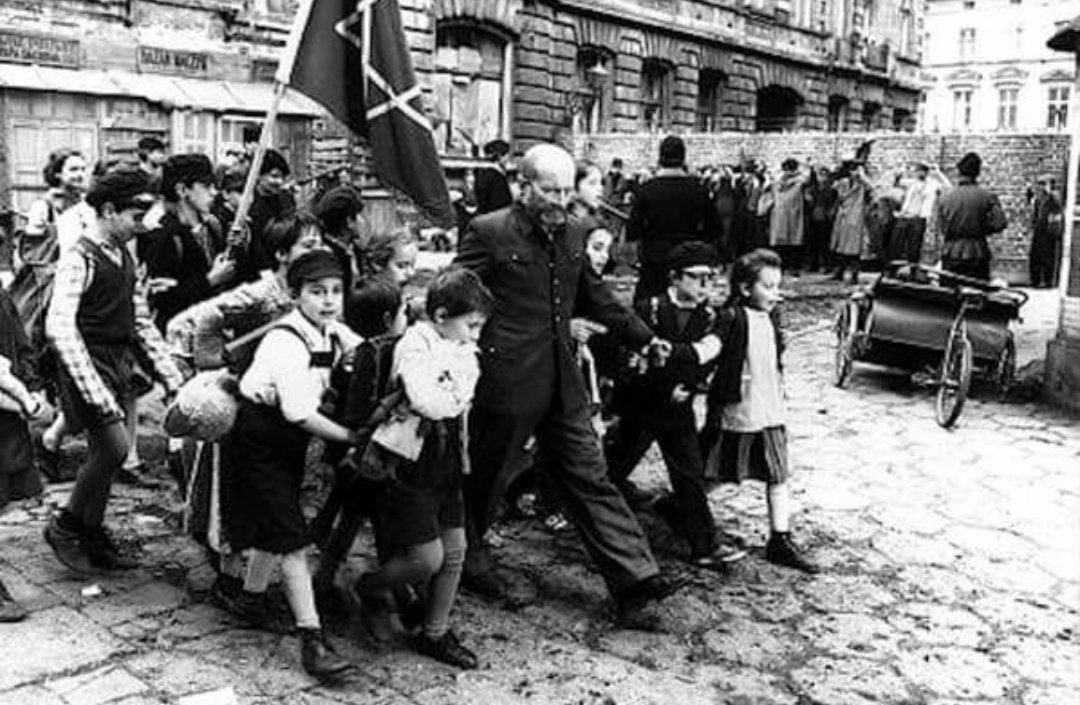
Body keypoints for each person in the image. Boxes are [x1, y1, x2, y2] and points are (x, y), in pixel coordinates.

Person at [455, 143, 678, 628]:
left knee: (589, 475)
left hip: (562, 380)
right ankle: (468, 559)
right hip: (506, 381)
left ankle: (635, 582)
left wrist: (645, 336)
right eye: (549, 191)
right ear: (523, 186)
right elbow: (456, 295)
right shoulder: (488, 231)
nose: (559, 201)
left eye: (564, 191)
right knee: (487, 477)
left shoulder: (575, 231)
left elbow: (597, 298)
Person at [165, 211, 325, 606]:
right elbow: (195, 320)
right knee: (232, 500)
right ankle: (230, 580)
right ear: (282, 254)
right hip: (245, 415)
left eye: (319, 243)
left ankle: (253, 586)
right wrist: (212, 365)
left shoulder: (312, 295)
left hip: (284, 415)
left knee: (276, 498)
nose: (317, 251)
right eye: (308, 245)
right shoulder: (262, 293)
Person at [224, 250, 359, 679]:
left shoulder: (331, 331)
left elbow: (367, 351)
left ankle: (250, 601)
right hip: (258, 440)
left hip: (287, 443)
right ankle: (312, 640)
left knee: (275, 528)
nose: (329, 300)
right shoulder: (284, 340)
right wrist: (350, 437)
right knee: (293, 542)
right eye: (317, 292)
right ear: (295, 295)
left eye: (336, 291)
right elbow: (299, 412)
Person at [43, 167, 184, 574]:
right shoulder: (79, 258)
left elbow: (140, 321)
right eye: (135, 217)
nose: (141, 226)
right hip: (84, 363)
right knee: (115, 448)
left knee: (104, 453)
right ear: (108, 211)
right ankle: (65, 526)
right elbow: (59, 327)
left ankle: (92, 533)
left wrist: (172, 377)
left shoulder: (123, 255)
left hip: (116, 363)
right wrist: (94, 390)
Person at [353, 267, 490, 668]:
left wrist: (450, 388)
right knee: (426, 559)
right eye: (471, 325)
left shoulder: (459, 347)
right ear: (442, 315)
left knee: (456, 551)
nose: (475, 335)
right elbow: (427, 400)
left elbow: (465, 388)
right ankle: (369, 586)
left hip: (446, 461)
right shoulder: (415, 344)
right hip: (410, 464)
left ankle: (435, 633)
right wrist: (451, 392)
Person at [606, 242, 746, 570]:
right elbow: (632, 352)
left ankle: (704, 545)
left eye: (710, 278)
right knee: (616, 465)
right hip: (641, 406)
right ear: (675, 277)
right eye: (696, 277)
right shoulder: (649, 308)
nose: (704, 285)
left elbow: (707, 359)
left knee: (689, 474)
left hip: (677, 408)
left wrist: (691, 384)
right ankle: (584, 516)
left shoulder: (710, 317)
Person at [699, 249, 817, 574]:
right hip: (739, 408)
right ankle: (684, 502)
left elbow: (772, 355)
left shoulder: (773, 317)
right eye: (767, 286)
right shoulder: (731, 317)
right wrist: (695, 357)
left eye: (777, 286)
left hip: (771, 408)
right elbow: (713, 348)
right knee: (720, 468)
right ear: (744, 288)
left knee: (778, 473)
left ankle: (780, 538)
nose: (775, 293)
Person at [143, 154, 234, 333]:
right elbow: (163, 298)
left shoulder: (212, 225)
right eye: (206, 186)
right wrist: (209, 281)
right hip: (179, 332)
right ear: (182, 190)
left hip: (210, 329)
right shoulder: (163, 234)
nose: (214, 192)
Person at [627, 135, 716, 303]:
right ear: (683, 158)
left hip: (655, 259)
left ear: (660, 158)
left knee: (649, 308)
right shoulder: (699, 190)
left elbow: (634, 229)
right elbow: (713, 229)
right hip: (689, 261)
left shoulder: (646, 190)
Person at [936, 152, 1007, 281]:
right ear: (977, 172)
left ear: (959, 172)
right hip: (978, 252)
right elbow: (1000, 223)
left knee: (949, 291)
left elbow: (942, 228)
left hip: (950, 252)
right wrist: (982, 228)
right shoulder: (987, 196)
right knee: (977, 290)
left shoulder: (944, 197)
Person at [238, 148, 296, 282]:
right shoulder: (248, 203)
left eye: (282, 177)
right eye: (274, 176)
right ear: (258, 175)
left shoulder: (286, 199)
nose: (279, 182)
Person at [891, 162, 950, 264]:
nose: (918, 173)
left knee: (915, 247)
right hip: (906, 217)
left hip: (921, 218)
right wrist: (899, 173)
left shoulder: (933, 184)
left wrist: (939, 173)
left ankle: (914, 267)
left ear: (926, 172)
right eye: (917, 171)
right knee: (898, 244)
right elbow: (897, 183)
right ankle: (895, 266)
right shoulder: (912, 183)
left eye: (921, 171)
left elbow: (948, 188)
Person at [314, 184, 367, 291]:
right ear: (349, 221)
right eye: (360, 215)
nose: (363, 221)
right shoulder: (328, 257)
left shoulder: (354, 249)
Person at [764, 158, 810, 273]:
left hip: (783, 214)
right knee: (790, 242)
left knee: (786, 242)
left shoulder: (778, 182)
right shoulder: (798, 181)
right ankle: (789, 266)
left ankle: (785, 266)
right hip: (790, 214)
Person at [829, 161, 872, 283]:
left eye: (855, 170)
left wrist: (862, 176)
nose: (853, 173)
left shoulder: (862, 184)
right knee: (840, 245)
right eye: (852, 170)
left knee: (854, 248)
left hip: (856, 216)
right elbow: (833, 187)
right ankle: (839, 271)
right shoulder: (844, 182)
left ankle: (854, 274)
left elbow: (871, 188)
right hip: (843, 215)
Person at [1028, 175, 1063, 289]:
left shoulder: (1054, 198)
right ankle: (1036, 280)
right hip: (1039, 231)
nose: (1040, 187)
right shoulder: (1038, 199)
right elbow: (1034, 214)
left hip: (1049, 231)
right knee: (1035, 256)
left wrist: (1050, 192)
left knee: (1048, 257)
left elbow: (1057, 209)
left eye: (1043, 184)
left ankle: (1048, 281)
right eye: (1040, 184)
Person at [805, 166, 837, 273]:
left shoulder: (832, 190)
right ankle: (813, 264)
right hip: (813, 217)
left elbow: (834, 203)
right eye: (820, 175)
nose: (822, 178)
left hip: (825, 218)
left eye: (825, 175)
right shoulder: (813, 189)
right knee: (813, 242)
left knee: (825, 243)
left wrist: (830, 212)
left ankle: (826, 265)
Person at [474, 139, 513, 216]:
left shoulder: (483, 174)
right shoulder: (497, 177)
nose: (508, 158)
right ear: (500, 156)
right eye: (507, 155)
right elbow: (501, 203)